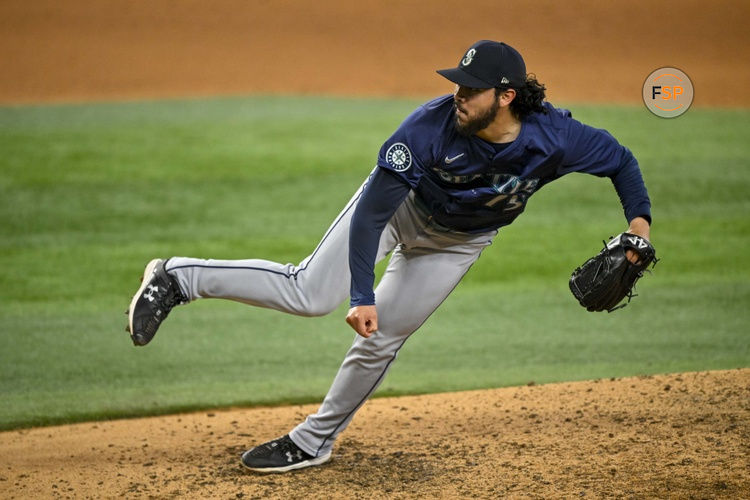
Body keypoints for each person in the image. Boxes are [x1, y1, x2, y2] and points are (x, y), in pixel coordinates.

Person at [126, 40, 652, 473]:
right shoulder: (425, 129)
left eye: (471, 89)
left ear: (507, 95)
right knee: (310, 294)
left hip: (459, 242)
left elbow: (621, 162)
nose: (458, 96)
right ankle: (178, 278)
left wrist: (638, 232)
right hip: (401, 210)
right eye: (457, 85)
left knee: (384, 339)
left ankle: (313, 442)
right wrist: (360, 295)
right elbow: (371, 216)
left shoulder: (556, 138)